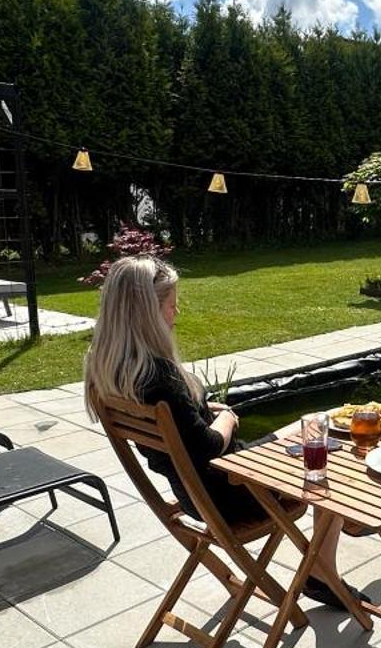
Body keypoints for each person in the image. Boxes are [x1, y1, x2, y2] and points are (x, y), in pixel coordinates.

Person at [84, 254, 347, 605]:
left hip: (196, 496)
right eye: (171, 306)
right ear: (147, 314)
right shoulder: (160, 378)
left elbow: (176, 420)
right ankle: (321, 572)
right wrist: (228, 419)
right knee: (322, 438)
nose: (176, 314)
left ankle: (331, 545)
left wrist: (202, 407)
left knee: (314, 425)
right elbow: (208, 446)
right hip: (234, 493)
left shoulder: (114, 374)